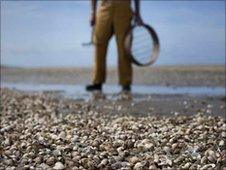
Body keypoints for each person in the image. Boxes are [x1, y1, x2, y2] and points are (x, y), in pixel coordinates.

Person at [86, 0, 143, 92]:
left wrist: (138, 13)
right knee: (99, 44)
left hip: (124, 8)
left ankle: (126, 84)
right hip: (105, 7)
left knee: (124, 47)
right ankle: (97, 82)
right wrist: (93, 13)